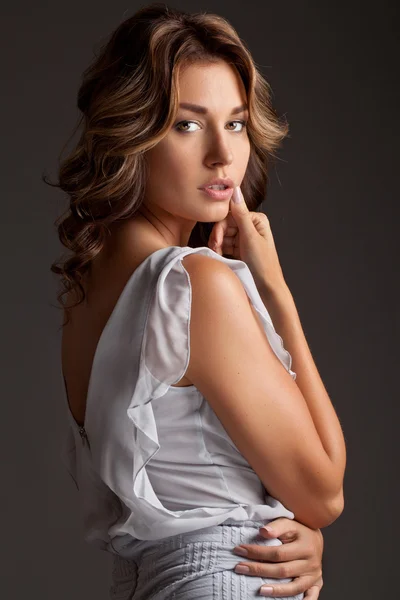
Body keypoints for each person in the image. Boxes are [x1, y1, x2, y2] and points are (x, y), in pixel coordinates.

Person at [47, 4, 346, 598]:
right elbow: (324, 492)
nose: (222, 155)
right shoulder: (194, 283)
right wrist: (276, 294)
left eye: (235, 123)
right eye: (187, 124)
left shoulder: (89, 287)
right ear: (131, 133)